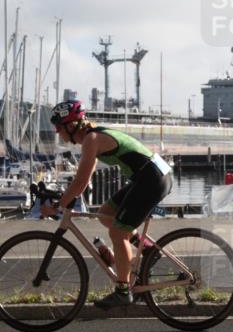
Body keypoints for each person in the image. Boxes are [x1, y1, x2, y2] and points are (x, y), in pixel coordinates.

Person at [41, 100, 173, 309]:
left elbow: (81, 181)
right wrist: (65, 199)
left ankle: (123, 291)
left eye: (59, 128)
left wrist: (60, 205)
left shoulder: (92, 139)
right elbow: (85, 178)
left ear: (72, 124)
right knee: (106, 213)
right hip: (149, 175)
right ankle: (146, 249)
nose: (59, 134)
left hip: (152, 178)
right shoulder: (93, 137)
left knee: (118, 233)